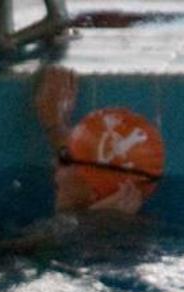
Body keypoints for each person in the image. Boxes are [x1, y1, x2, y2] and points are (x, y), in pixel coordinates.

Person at [33, 66, 148, 216]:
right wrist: (56, 125)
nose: (54, 162)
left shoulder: (77, 231)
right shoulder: (106, 227)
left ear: (94, 191)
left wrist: (54, 124)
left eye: (66, 161)